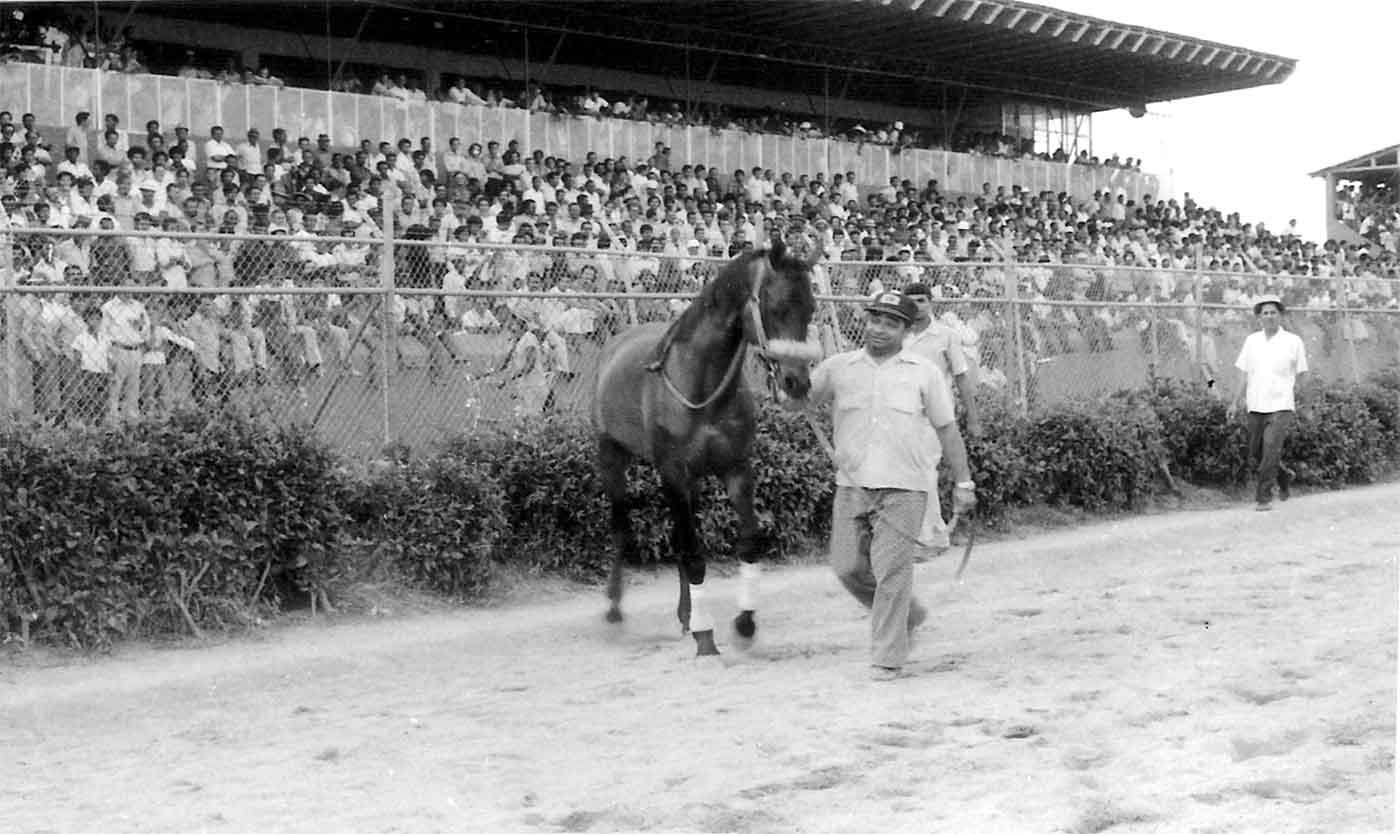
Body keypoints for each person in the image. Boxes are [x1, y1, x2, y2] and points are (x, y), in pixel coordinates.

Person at [808, 291, 977, 681]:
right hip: (852, 484)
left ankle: (887, 658)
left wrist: (963, 481)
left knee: (892, 573)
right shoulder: (838, 368)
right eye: (874, 320)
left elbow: (947, 430)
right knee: (847, 568)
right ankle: (911, 616)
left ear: (906, 329)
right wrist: (785, 372)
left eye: (890, 323)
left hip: (905, 487)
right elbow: (795, 402)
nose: (879, 329)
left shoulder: (924, 372)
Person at [900, 281, 982, 558]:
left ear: (931, 303)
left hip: (935, 417)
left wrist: (973, 418)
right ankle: (929, 535)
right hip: (901, 414)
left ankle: (930, 538)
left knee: (924, 469)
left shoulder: (946, 336)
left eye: (922, 300)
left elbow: (961, 377)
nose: (917, 306)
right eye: (911, 301)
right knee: (909, 472)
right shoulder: (898, 334)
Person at [1229, 294, 1308, 512]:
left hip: (1281, 404)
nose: (1270, 316)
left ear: (1280, 316)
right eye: (1265, 313)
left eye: (1274, 312)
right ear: (1259, 318)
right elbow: (1243, 374)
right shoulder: (1251, 341)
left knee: (1271, 450)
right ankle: (1283, 476)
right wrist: (1235, 402)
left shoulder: (1294, 341)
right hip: (1255, 404)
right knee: (1255, 453)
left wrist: (1305, 403)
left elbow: (1302, 374)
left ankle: (1263, 498)